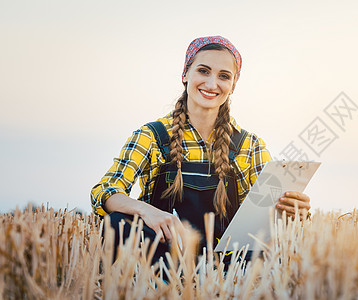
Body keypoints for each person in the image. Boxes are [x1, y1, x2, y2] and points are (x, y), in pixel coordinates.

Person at [90, 36, 311, 262]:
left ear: (233, 85)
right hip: (163, 256)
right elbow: (105, 190)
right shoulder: (152, 136)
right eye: (203, 71)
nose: (212, 84)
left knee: (282, 247)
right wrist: (148, 211)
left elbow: (264, 219)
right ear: (185, 74)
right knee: (116, 224)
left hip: (229, 264)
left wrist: (292, 209)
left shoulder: (250, 145)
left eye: (224, 76)